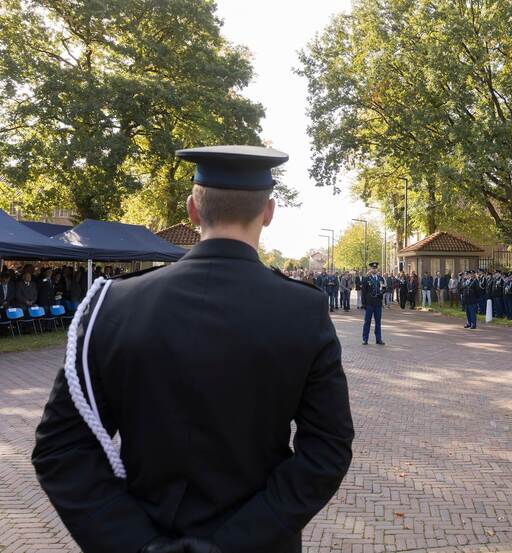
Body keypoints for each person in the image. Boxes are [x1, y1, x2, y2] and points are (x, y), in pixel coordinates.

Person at [31, 145, 354, 553]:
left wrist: (138, 545)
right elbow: (327, 450)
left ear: (192, 210)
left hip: (144, 532)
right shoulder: (303, 310)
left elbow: (62, 448)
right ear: (269, 213)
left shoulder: (113, 305)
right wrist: (235, 544)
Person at [361, 262, 385, 345]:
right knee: (367, 322)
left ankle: (378, 339)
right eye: (373, 268)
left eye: (375, 268)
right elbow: (363, 292)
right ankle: (365, 339)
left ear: (377, 269)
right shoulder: (366, 279)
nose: (374, 269)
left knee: (378, 322)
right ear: (370, 269)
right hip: (369, 304)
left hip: (378, 303)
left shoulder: (381, 278)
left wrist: (382, 291)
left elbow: (384, 288)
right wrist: (363, 303)